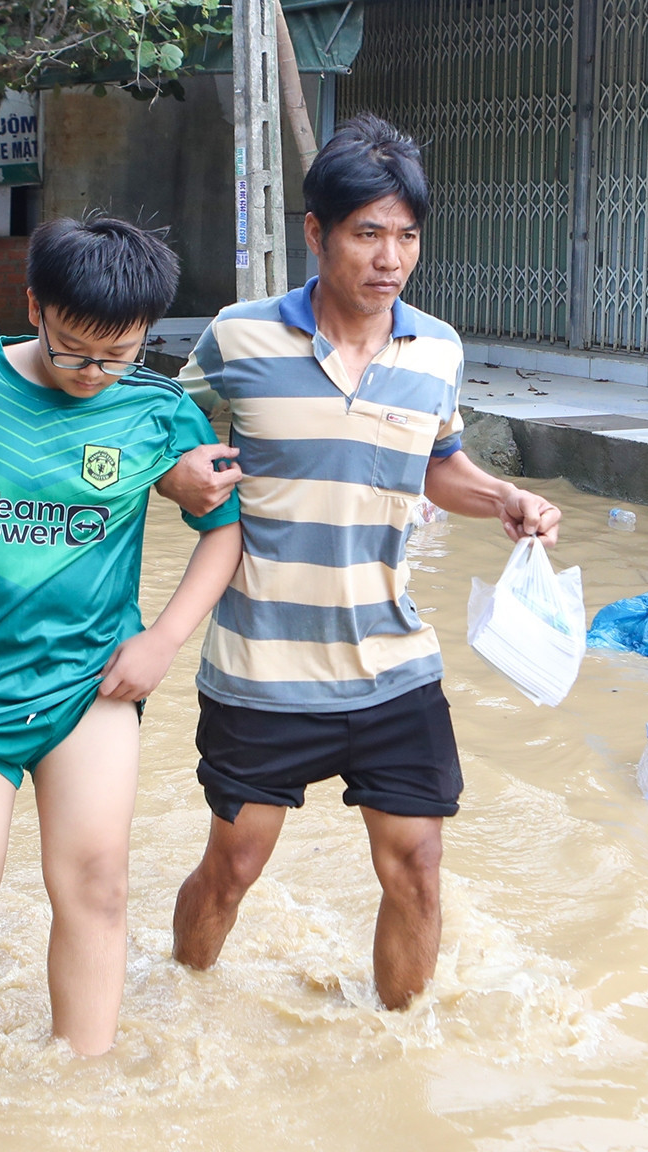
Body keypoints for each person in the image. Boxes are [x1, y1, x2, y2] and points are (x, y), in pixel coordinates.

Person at [156, 116, 561, 1009]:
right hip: (262, 669)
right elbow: (161, 439)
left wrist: (506, 500)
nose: (390, 257)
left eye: (407, 235)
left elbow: (439, 466)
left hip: (392, 663)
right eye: (367, 233)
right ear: (316, 234)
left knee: (419, 866)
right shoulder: (238, 339)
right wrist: (171, 478)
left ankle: (398, 1053)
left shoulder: (438, 350)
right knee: (234, 868)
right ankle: (178, 1003)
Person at [0, 217, 242, 1055]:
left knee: (98, 886)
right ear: (35, 308)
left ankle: (82, 1086)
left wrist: (164, 639)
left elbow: (225, 530)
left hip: (91, 682)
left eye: (119, 355)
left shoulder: (157, 410)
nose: (93, 374)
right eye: (73, 351)